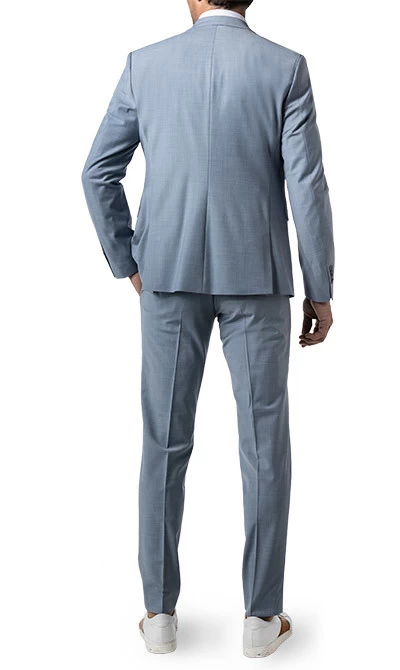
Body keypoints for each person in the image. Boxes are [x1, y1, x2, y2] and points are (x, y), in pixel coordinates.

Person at [81, 0, 334, 658]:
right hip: (258, 277)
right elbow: (307, 185)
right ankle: (262, 619)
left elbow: (97, 171)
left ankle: (159, 615)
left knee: (164, 441)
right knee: (264, 444)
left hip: (166, 275)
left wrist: (126, 258)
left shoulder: (144, 66)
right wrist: (320, 286)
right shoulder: (285, 68)